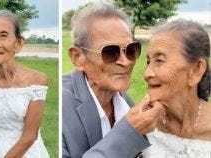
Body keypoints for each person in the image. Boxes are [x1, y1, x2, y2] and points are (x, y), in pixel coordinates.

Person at [62, 2, 164, 158]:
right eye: (110, 52)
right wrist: (131, 132)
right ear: (78, 57)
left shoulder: (124, 100)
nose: (126, 62)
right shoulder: (62, 105)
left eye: (130, 50)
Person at [0, 10, 49, 158]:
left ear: (18, 44)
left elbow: (30, 136)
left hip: (25, 152)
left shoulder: (36, 81)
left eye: (3, 36)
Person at [142, 19, 211, 157]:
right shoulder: (143, 123)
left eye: (160, 61)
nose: (146, 74)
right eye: (148, 62)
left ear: (196, 70)